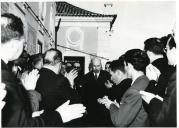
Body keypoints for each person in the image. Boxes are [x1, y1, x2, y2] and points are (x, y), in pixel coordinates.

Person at [1, 13, 86, 127]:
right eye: (23, 43)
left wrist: (34, 114)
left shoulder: (31, 74)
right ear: (14, 44)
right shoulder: (4, 75)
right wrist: (58, 115)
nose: (24, 47)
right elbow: (21, 124)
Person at [99, 49, 150, 127]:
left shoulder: (133, 90)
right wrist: (118, 107)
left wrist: (111, 105)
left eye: (125, 65)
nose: (125, 68)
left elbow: (119, 122)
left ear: (129, 65)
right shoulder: (146, 81)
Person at [35, 48, 84, 126]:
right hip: (56, 122)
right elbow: (77, 102)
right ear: (59, 63)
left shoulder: (34, 75)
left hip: (39, 121)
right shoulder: (60, 80)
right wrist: (70, 83)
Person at [140, 35, 176, 127]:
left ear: (148, 52)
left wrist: (152, 81)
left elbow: (148, 101)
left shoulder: (150, 68)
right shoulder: (172, 67)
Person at [81, 57, 112, 126]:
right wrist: (84, 107)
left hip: (104, 109)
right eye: (94, 66)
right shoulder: (86, 77)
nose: (96, 68)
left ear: (101, 65)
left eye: (98, 66)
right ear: (92, 65)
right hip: (90, 109)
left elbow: (111, 92)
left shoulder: (107, 75)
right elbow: (83, 94)